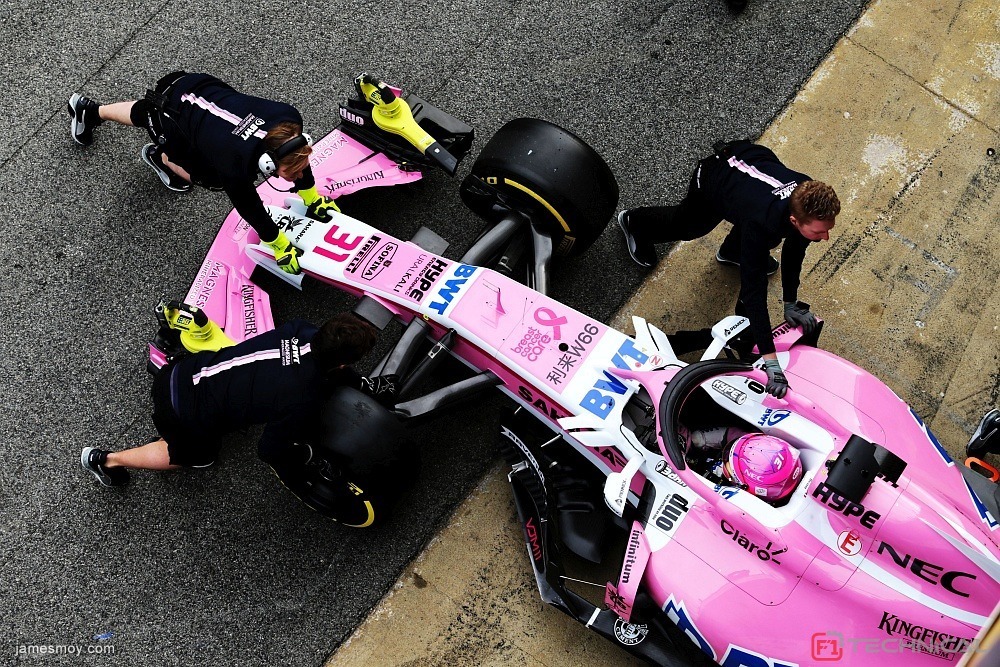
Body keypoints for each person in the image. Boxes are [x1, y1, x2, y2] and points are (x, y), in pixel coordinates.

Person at [617, 140, 841, 398]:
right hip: (717, 176)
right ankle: (635, 221)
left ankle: (732, 252)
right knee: (689, 226)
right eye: (820, 232)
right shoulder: (762, 220)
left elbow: (795, 251)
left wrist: (790, 303)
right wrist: (770, 360)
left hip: (751, 174)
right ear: (794, 220)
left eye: (827, 229)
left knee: (767, 238)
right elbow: (754, 292)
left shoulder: (807, 198)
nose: (825, 237)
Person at [67, 71, 341, 274]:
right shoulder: (233, 162)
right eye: (291, 174)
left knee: (148, 112)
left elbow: (297, 156)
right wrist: (278, 244)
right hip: (172, 112)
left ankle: (94, 111)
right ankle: (158, 156)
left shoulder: (290, 120)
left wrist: (312, 198)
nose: (297, 176)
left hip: (197, 85)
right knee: (210, 178)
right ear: (268, 163)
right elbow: (250, 207)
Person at [80, 313, 398, 488]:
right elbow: (268, 450)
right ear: (342, 363)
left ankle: (174, 429)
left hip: (179, 370)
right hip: (180, 410)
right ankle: (106, 460)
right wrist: (308, 454)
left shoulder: (301, 329)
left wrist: (361, 383)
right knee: (200, 457)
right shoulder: (302, 397)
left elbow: (325, 367)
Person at [681, 425, 803, 503]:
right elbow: (740, 438)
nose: (726, 462)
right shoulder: (755, 447)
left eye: (730, 470)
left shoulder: (741, 504)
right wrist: (699, 439)